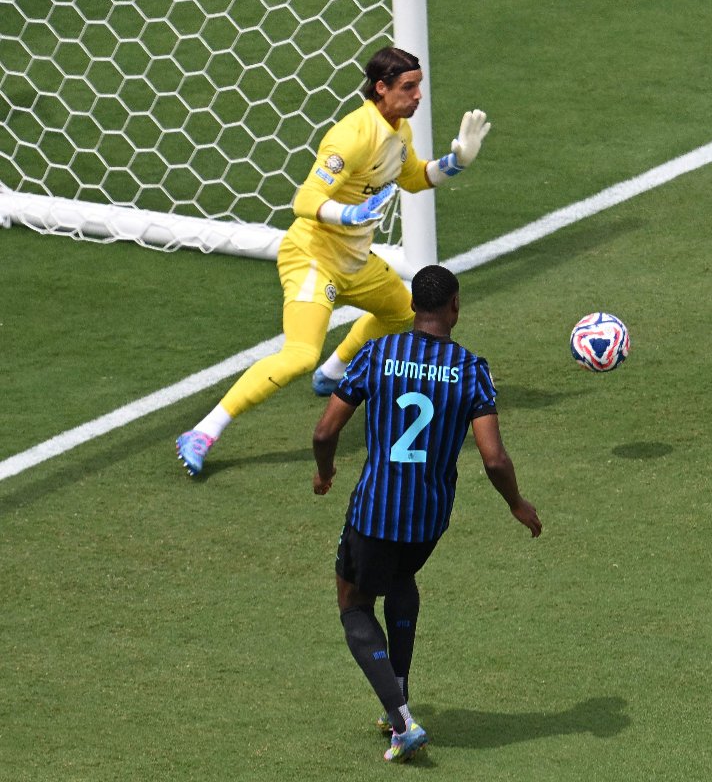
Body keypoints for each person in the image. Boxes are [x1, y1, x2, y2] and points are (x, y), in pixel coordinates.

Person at [176, 46, 492, 476]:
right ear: (381, 88)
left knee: (404, 312)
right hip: (314, 258)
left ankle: (335, 371)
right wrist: (349, 214)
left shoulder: (398, 131)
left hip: (355, 261)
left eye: (419, 86)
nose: (418, 96)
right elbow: (304, 199)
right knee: (299, 353)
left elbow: (414, 177)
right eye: (408, 87)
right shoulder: (353, 135)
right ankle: (203, 431)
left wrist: (456, 163)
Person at [311, 264, 541, 762]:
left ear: (414, 305)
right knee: (401, 578)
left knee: (353, 606)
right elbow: (494, 458)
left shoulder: (377, 354)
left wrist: (324, 472)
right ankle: (399, 687)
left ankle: (401, 721)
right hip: (429, 518)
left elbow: (325, 432)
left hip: (376, 511)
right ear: (454, 306)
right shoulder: (472, 370)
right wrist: (517, 504)